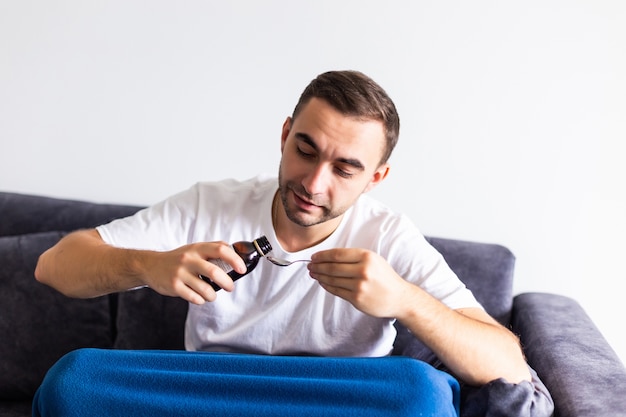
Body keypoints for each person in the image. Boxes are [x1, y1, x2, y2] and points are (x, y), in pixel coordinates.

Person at [34, 70, 552, 416]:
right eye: (305, 150)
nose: (314, 182)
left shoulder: (390, 236)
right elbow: (54, 266)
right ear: (285, 135)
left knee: (423, 393)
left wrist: (405, 301)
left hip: (327, 395)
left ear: (375, 178)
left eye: (345, 168)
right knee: (72, 378)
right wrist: (149, 266)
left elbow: (509, 367)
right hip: (211, 388)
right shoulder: (210, 203)